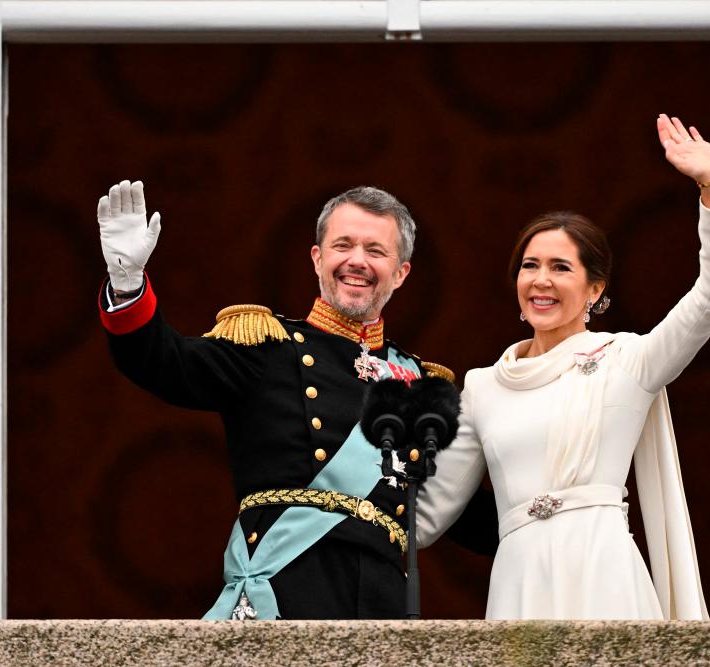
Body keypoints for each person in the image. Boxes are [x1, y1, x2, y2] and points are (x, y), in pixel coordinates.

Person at [414, 114, 710, 620]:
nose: (541, 280)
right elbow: (427, 516)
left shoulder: (628, 360)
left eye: (560, 268)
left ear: (594, 289)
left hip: (602, 572)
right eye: (530, 265)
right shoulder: (482, 386)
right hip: (519, 583)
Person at [96, 183, 458, 620]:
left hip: (381, 603)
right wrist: (126, 281)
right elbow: (164, 363)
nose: (357, 261)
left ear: (401, 272)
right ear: (317, 258)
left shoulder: (420, 386)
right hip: (287, 590)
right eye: (342, 245)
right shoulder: (266, 347)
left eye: (375, 250)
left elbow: (464, 504)